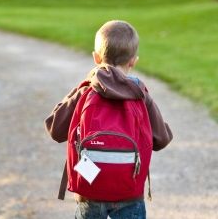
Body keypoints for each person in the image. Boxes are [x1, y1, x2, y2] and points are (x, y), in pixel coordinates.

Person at [45, 20, 173, 219]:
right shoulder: (140, 94)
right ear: (133, 61)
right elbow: (161, 140)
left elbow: (55, 129)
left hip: (89, 190)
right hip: (129, 192)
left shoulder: (87, 90)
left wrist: (78, 90)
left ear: (96, 58)